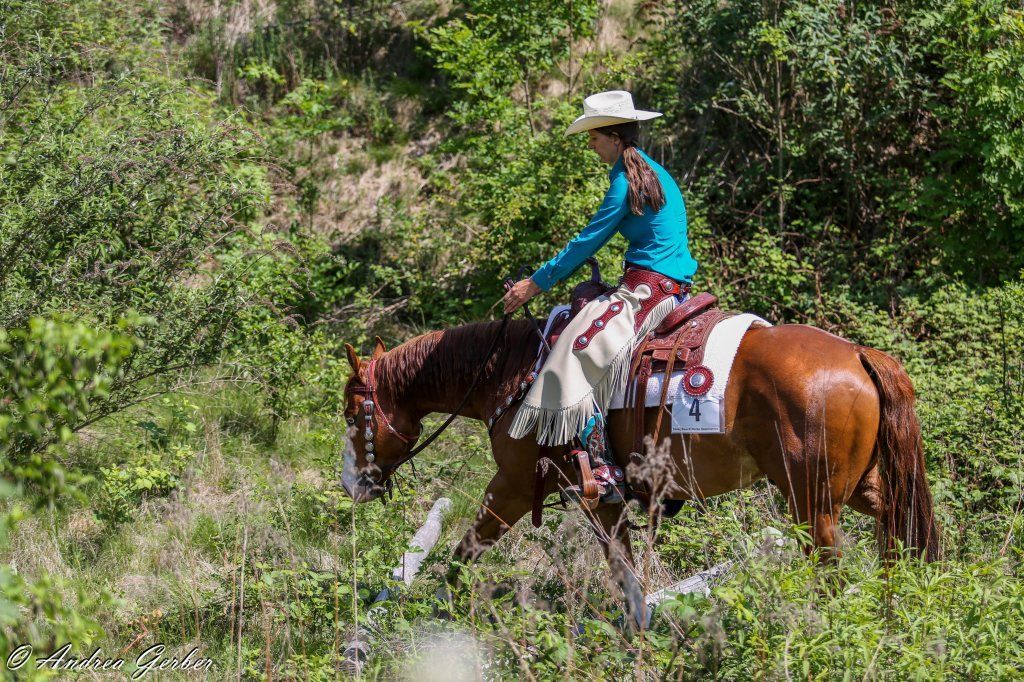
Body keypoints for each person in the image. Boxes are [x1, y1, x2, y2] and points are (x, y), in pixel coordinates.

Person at [501, 90, 698, 503]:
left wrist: (533, 284)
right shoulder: (653, 172)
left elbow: (585, 243)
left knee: (577, 349)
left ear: (612, 136)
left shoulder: (625, 182)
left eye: (593, 137)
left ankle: (603, 467)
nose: (590, 145)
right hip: (669, 283)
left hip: (649, 288)